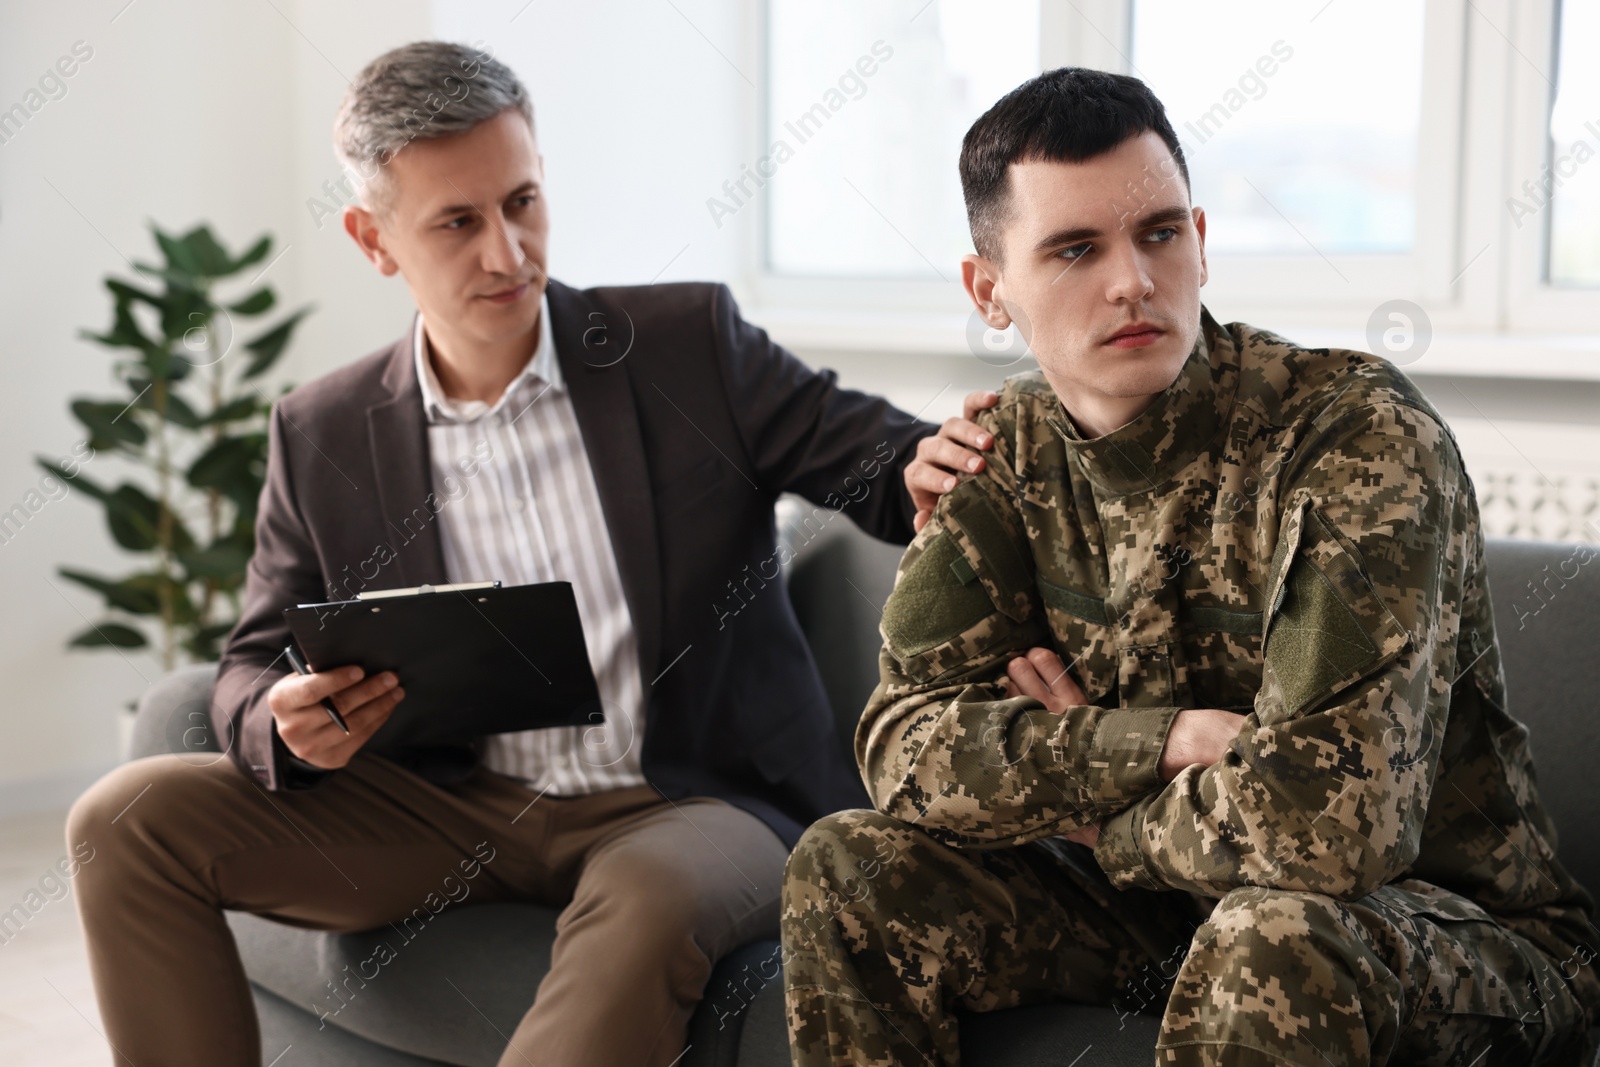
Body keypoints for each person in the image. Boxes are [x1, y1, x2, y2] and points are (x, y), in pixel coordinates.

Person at [64, 40, 992, 1067]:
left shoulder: (684, 343)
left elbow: (870, 453)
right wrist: (279, 721)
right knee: (126, 816)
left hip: (686, 801)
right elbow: (252, 659)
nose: (507, 252)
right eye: (458, 222)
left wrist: (920, 464)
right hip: (447, 805)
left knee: (647, 892)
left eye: (523, 202)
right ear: (375, 241)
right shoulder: (320, 430)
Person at [780, 67, 1599, 1066]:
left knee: (1269, 935)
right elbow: (903, 748)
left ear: (1200, 242)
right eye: (1075, 248)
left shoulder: (1356, 440)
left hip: (1429, 933)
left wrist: (1094, 817)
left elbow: (1328, 833)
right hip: (1165, 912)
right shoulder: (1003, 455)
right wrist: (1155, 741)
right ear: (989, 290)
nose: (1131, 279)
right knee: (847, 866)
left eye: (1158, 233)